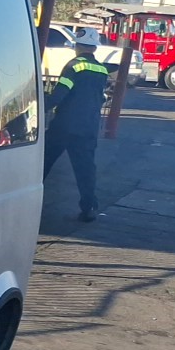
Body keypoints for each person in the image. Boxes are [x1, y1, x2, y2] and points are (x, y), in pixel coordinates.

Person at [44, 37, 113, 222]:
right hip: (88, 126)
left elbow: (60, 93)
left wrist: (40, 107)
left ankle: (28, 201)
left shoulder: (73, 66)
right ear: (94, 48)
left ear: (78, 46)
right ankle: (89, 207)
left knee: (43, 162)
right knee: (85, 169)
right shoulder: (102, 69)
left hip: (65, 125)